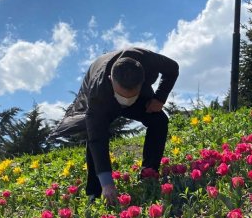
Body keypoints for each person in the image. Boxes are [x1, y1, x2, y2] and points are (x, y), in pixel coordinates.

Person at [50, 47, 179, 204]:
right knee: (95, 132)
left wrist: (159, 98)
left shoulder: (147, 60)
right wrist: (107, 182)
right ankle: (95, 191)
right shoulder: (97, 94)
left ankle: (149, 173)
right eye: (122, 96)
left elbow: (173, 68)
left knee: (159, 121)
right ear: (111, 79)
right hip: (105, 96)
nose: (125, 101)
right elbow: (97, 139)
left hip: (140, 97)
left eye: (130, 97)